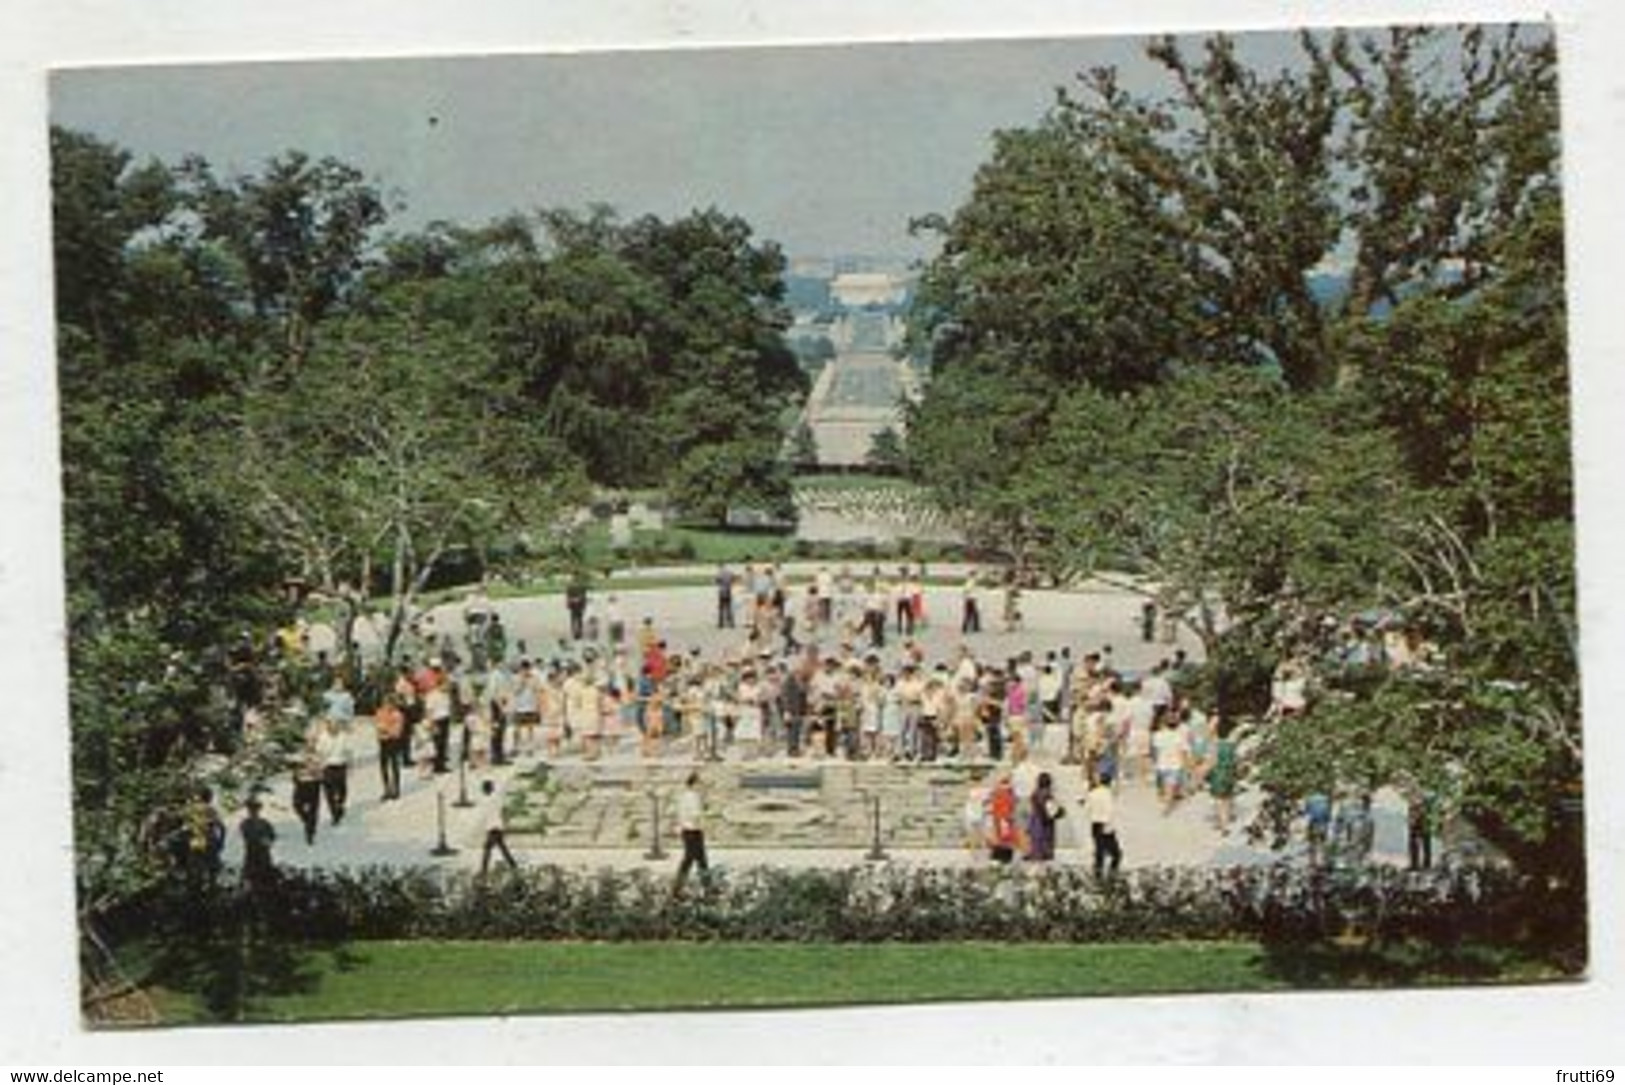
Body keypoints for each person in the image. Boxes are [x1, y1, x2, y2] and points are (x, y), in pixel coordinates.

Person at [673, 772, 710, 894]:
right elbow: (695, 815)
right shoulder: (692, 797)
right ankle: (677, 887)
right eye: (700, 783)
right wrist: (705, 815)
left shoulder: (685, 796)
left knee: (701, 860)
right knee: (690, 859)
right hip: (692, 831)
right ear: (694, 783)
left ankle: (707, 886)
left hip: (690, 830)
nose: (702, 786)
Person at [314, 715, 351, 825]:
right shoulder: (323, 737)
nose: (333, 727)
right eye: (331, 725)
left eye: (336, 725)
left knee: (342, 789)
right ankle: (334, 814)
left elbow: (348, 750)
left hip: (340, 765)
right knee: (329, 792)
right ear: (327, 726)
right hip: (328, 766)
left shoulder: (343, 736)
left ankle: (340, 804)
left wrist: (349, 762)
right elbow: (319, 751)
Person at [478, 779, 517, 875]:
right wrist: (505, 824)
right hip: (498, 827)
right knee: (502, 848)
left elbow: (489, 815)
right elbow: (504, 810)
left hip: (493, 828)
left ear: (486, 789)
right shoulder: (496, 799)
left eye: (483, 788)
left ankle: (484, 870)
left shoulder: (486, 800)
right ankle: (513, 865)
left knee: (487, 849)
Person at [1087, 772, 1123, 877]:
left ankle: (1098, 874)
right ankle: (1113, 873)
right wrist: (1110, 826)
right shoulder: (1108, 794)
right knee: (1116, 853)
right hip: (1106, 824)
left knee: (1099, 851)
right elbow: (1109, 811)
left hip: (1095, 824)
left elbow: (1087, 809)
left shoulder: (1092, 793)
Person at [238, 796, 277, 888]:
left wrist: (268, 841)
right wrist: (261, 839)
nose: (253, 811)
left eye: (255, 809)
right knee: (251, 880)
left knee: (266, 880)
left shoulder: (265, 823)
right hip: (252, 854)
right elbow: (247, 837)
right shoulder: (245, 823)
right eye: (251, 809)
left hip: (264, 855)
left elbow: (272, 836)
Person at [1026, 771, 1062, 862]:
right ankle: (1042, 867)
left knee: (1036, 843)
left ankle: (1036, 862)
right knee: (1045, 843)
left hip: (1036, 820)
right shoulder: (1047, 794)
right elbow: (1050, 809)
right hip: (1044, 821)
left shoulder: (1035, 793)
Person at [374, 694, 405, 800]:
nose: (387, 706)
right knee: (384, 766)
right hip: (383, 742)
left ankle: (396, 788)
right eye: (385, 703)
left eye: (389, 703)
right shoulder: (379, 713)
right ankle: (386, 789)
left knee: (394, 765)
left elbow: (397, 731)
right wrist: (384, 730)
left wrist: (386, 730)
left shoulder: (398, 714)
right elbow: (378, 727)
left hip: (393, 742)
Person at [291, 750, 324, 845]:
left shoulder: (318, 757)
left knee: (313, 810)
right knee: (297, 805)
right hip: (301, 784)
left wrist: (316, 775)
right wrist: (296, 778)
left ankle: (310, 832)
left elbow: (321, 773)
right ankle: (308, 821)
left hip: (313, 784)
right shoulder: (298, 756)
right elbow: (294, 771)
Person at [986, 773, 1018, 864]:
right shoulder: (1009, 793)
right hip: (1005, 819)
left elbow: (992, 805)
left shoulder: (997, 792)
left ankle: (999, 857)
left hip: (1000, 819)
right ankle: (1004, 857)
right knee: (1005, 839)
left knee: (1001, 838)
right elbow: (1011, 806)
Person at [565, 576, 589, 641]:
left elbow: (568, 597)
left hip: (576, 605)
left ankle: (577, 633)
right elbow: (583, 596)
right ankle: (577, 633)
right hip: (576, 605)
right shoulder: (577, 587)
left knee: (576, 619)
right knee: (577, 619)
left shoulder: (571, 587)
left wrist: (571, 601)